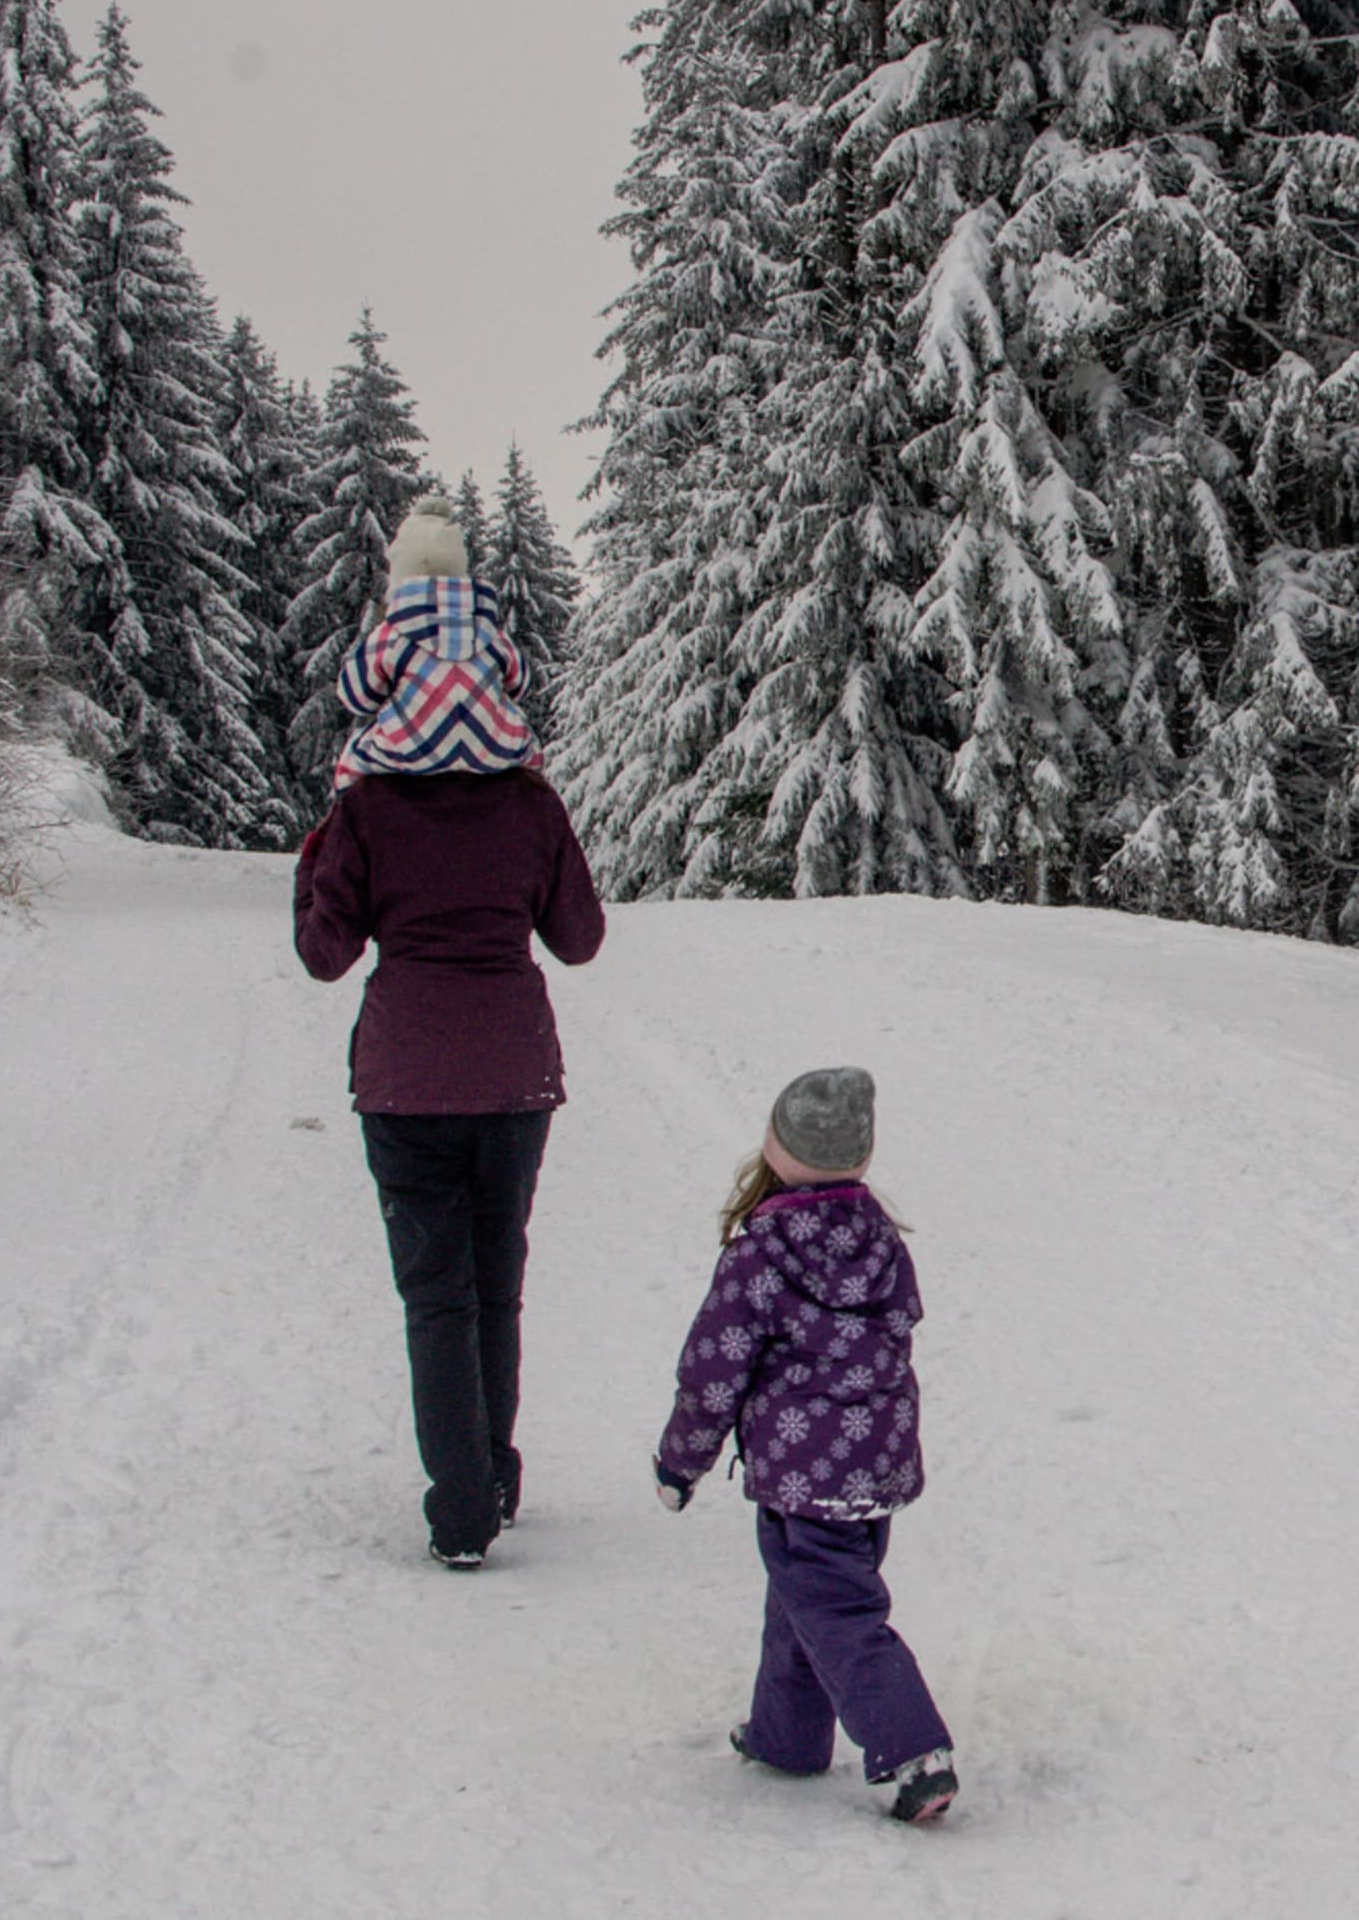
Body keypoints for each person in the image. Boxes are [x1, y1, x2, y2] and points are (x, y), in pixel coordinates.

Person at [293, 504, 605, 1569]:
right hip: (516, 1071)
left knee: (436, 1295)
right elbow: (581, 938)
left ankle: (462, 1507)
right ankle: (498, 1477)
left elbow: (326, 953)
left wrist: (318, 851)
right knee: (495, 1282)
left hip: (405, 1077)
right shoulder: (529, 798)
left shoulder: (368, 804)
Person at [655, 1069, 959, 1825]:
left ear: (775, 1150)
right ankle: (786, 1737)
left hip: (801, 1472)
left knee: (837, 1609)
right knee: (807, 1599)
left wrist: (680, 1460)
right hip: (877, 1466)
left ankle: (913, 1749)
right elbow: (901, 1326)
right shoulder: (882, 1241)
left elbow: (713, 1367)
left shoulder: (758, 1253)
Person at [330, 491, 542, 788]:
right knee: (530, 752)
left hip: (408, 750)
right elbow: (521, 684)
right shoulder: (491, 633)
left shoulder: (391, 636)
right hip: (496, 750)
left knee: (352, 760)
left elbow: (355, 696)